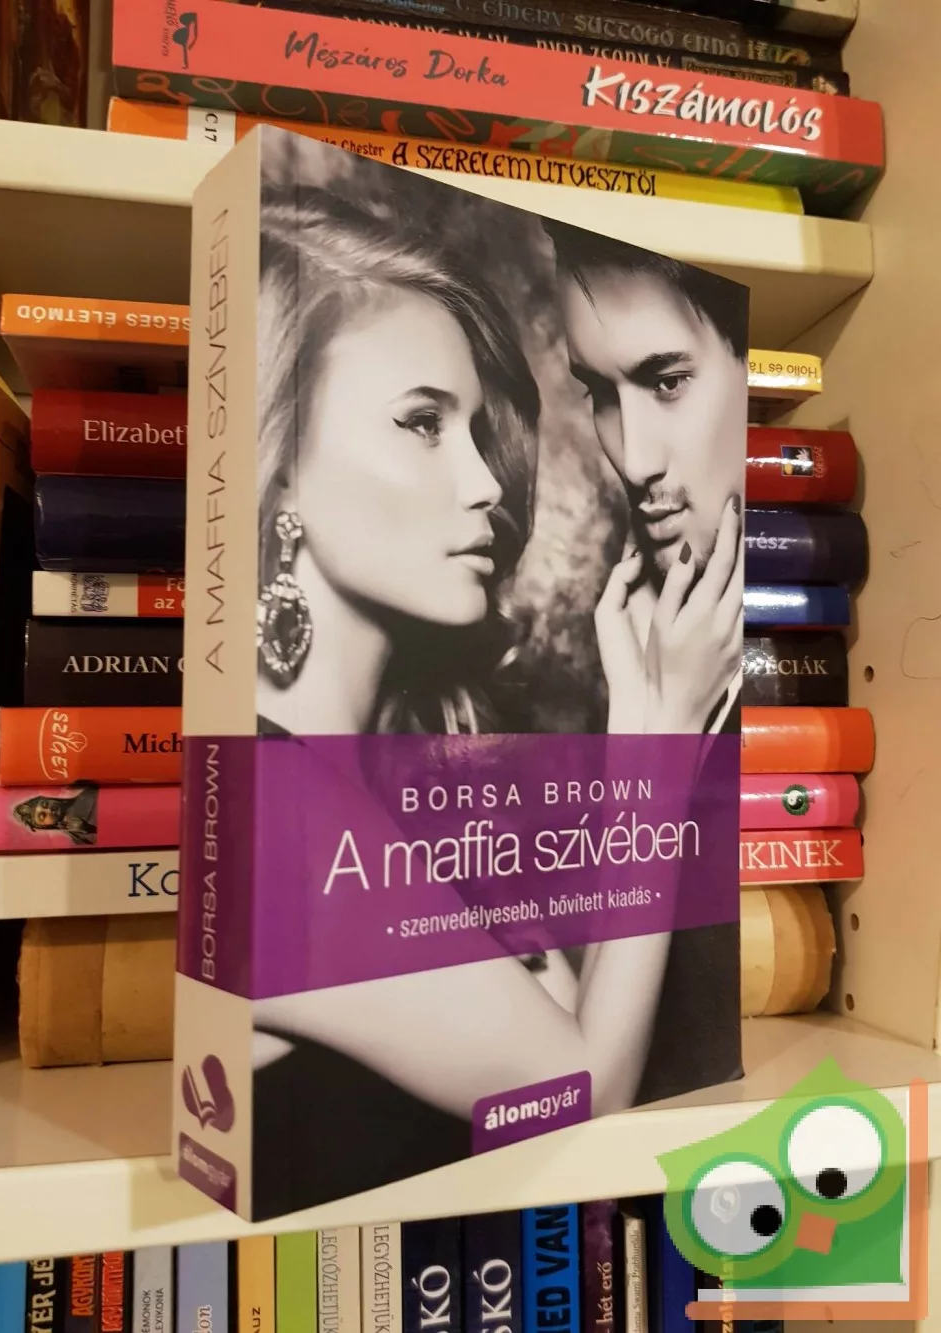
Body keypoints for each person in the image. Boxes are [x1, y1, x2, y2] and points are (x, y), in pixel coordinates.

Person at [247, 171, 736, 1214]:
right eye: (423, 423)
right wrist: (655, 738)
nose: (485, 483)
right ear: (278, 467)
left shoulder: (386, 772)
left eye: (476, 428)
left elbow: (572, 1012)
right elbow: (585, 1095)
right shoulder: (267, 810)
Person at [546, 220, 747, 737]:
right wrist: (646, 716)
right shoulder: (654, 657)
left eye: (667, 383)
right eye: (601, 394)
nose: (634, 464)